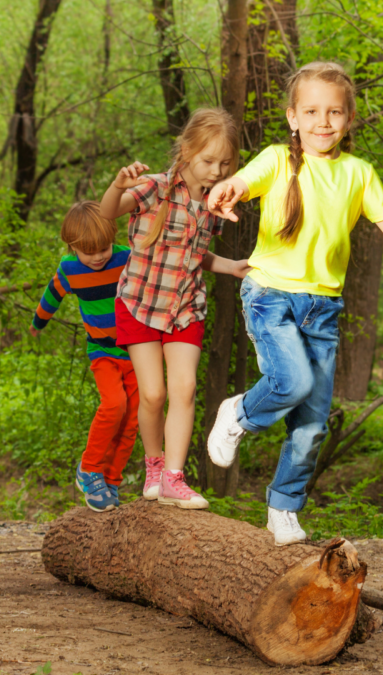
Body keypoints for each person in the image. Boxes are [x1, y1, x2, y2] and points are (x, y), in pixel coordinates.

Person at [204, 62, 383, 545]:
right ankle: (239, 413)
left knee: (312, 421)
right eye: (311, 111)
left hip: (323, 307)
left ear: (349, 119)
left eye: (334, 112)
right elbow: (241, 184)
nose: (323, 122)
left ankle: (283, 508)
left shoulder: (358, 173)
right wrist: (224, 191)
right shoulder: (276, 160)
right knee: (291, 381)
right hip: (270, 293)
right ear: (293, 117)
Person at [100, 108, 249, 510]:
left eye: (225, 163)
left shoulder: (216, 203)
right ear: (185, 152)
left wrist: (229, 266)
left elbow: (194, 254)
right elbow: (107, 213)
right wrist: (117, 186)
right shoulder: (155, 188)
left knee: (184, 389)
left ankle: (174, 478)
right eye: (208, 161)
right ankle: (153, 465)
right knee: (153, 394)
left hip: (186, 307)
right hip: (140, 303)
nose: (217, 171)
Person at [31, 201, 137, 512]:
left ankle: (112, 481)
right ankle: (89, 469)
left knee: (132, 419)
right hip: (102, 351)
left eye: (103, 248)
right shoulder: (69, 268)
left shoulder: (125, 258)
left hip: (135, 351)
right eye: (89, 251)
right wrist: (39, 321)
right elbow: (52, 294)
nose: (99, 256)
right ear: (72, 246)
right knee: (113, 404)